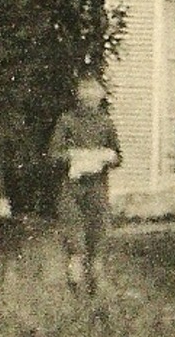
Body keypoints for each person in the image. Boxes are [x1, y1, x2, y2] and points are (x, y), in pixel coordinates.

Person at [48, 76, 122, 293]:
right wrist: (74, 156)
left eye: (94, 90)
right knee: (73, 226)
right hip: (72, 185)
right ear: (77, 94)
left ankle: (96, 277)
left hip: (97, 185)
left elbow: (118, 155)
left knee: (97, 229)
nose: (89, 95)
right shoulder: (67, 120)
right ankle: (75, 274)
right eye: (85, 90)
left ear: (102, 94)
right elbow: (54, 154)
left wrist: (108, 156)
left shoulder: (105, 122)